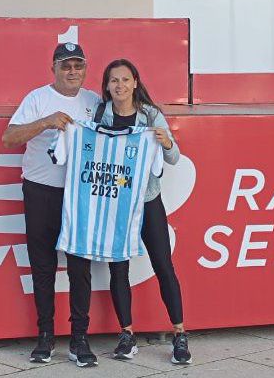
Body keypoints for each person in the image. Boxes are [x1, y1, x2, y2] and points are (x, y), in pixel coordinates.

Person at [2, 42, 100, 367]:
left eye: (78, 66)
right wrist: (45, 122)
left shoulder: (94, 102)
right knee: (42, 266)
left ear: (85, 69)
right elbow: (10, 137)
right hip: (41, 190)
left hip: (79, 194)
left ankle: (79, 338)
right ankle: (45, 335)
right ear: (54, 69)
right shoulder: (37, 98)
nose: (72, 72)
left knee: (79, 268)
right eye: (65, 66)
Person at [96, 58, 193, 365]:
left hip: (148, 199)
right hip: (115, 202)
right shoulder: (100, 114)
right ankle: (127, 334)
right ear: (107, 86)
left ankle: (179, 334)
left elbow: (174, 157)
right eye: (114, 81)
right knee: (118, 269)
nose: (120, 86)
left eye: (125, 80)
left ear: (135, 82)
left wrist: (165, 142)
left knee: (164, 265)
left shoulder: (151, 115)